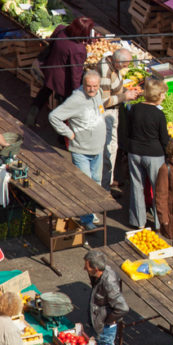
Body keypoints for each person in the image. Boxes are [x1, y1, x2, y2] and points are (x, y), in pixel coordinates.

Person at [49, 69, 107, 229]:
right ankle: (87, 220)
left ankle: (92, 212)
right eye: (89, 86)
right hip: (81, 150)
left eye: (95, 86)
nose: (92, 89)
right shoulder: (76, 99)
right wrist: (68, 133)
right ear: (83, 84)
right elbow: (54, 116)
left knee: (96, 182)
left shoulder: (98, 93)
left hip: (97, 149)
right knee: (85, 185)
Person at [122, 78, 170, 230]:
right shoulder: (158, 115)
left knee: (137, 186)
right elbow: (164, 139)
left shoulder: (134, 109)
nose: (164, 96)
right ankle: (158, 222)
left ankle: (139, 222)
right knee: (158, 188)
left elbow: (127, 130)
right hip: (154, 154)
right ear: (157, 95)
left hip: (135, 152)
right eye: (163, 94)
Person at [29, 17, 96, 126]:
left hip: (49, 70)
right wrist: (76, 92)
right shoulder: (78, 49)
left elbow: (51, 44)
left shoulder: (60, 29)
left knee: (43, 94)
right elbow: (76, 73)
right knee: (64, 107)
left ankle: (30, 119)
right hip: (63, 81)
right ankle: (61, 136)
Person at [98, 49, 143, 191]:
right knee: (109, 149)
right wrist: (125, 96)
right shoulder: (105, 73)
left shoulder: (110, 63)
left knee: (112, 147)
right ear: (117, 63)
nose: (126, 68)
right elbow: (104, 101)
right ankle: (104, 188)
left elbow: (113, 88)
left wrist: (125, 90)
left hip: (113, 111)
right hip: (107, 114)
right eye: (125, 65)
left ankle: (108, 182)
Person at [84, 250, 129, 345]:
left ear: (96, 269)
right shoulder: (97, 275)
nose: (85, 269)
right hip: (100, 321)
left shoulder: (108, 283)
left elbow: (123, 308)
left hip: (106, 327)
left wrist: (107, 321)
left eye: (87, 267)